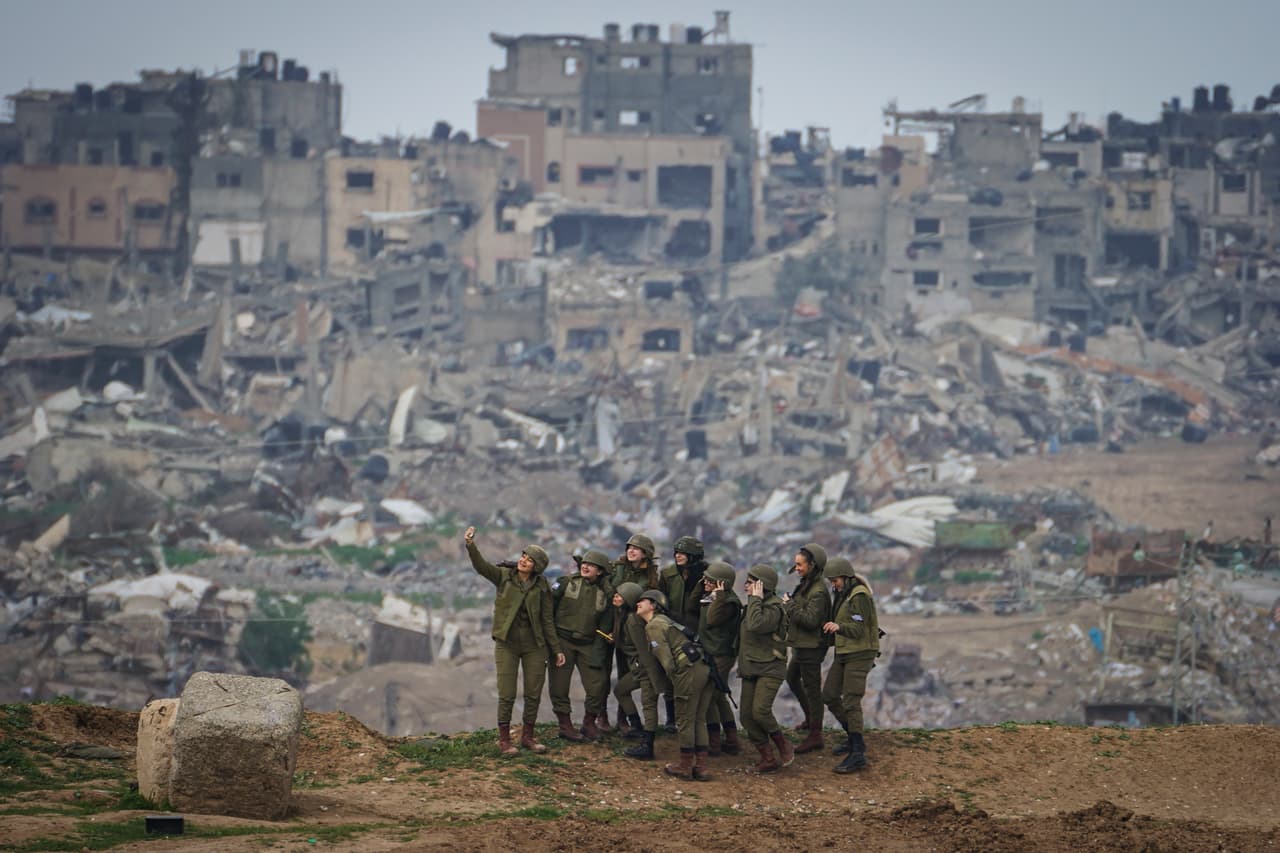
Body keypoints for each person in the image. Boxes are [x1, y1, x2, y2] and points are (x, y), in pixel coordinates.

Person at [463, 525, 564, 756]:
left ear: (537, 567)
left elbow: (547, 620)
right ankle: (504, 741)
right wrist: (470, 545)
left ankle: (528, 737)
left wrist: (556, 649)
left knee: (533, 693)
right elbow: (481, 567)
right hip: (506, 644)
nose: (524, 561)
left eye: (530, 560)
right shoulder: (504, 576)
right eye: (523, 556)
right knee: (507, 693)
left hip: (534, 646)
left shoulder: (542, 588)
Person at [636, 590, 714, 780]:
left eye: (643, 601)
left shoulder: (654, 625)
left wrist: (675, 679)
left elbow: (667, 660)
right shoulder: (668, 622)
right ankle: (701, 767)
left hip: (687, 670)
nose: (638, 603)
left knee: (685, 718)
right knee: (699, 719)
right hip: (704, 666)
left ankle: (685, 766)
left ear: (653, 605)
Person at [820, 557, 881, 773]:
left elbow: (858, 629)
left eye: (835, 580)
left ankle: (857, 753)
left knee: (851, 701)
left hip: (860, 652)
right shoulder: (844, 595)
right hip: (845, 652)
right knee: (829, 695)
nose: (833, 584)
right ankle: (852, 736)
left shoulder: (859, 596)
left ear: (845, 577)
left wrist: (838, 627)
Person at [548, 549, 614, 741]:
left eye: (591, 565)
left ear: (600, 571)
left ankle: (588, 723)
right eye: (584, 563)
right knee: (559, 686)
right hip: (563, 640)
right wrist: (552, 644)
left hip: (589, 643)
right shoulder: (567, 583)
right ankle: (565, 725)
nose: (585, 566)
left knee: (597, 685)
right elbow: (548, 609)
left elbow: (607, 620)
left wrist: (601, 644)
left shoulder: (605, 592)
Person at [737, 564, 794, 773]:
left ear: (763, 586)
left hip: (771, 667)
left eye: (751, 582)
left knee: (760, 711)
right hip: (752, 666)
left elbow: (756, 625)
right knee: (746, 716)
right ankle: (767, 757)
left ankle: (782, 745)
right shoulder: (755, 605)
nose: (746, 585)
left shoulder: (773, 608)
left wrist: (755, 599)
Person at [608, 533, 661, 728]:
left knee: (637, 677)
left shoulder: (652, 576)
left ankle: (641, 728)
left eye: (636, 548)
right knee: (622, 675)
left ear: (646, 553)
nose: (631, 551)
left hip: (637, 626)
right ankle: (625, 721)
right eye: (629, 547)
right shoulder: (619, 568)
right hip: (619, 624)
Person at [613, 585, 672, 760]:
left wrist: (652, 677)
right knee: (620, 690)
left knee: (649, 704)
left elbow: (643, 650)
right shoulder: (624, 617)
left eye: (620, 595)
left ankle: (647, 744)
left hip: (645, 669)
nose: (615, 597)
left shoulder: (632, 620)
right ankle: (636, 727)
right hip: (640, 668)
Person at [783, 542, 832, 754]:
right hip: (801, 645)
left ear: (813, 565)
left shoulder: (818, 591)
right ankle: (811, 719)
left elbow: (811, 620)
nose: (797, 568)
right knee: (792, 678)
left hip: (811, 647)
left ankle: (815, 735)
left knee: (813, 691)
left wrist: (789, 605)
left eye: (800, 564)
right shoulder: (806, 584)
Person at [697, 560, 743, 756]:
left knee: (709, 697)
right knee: (719, 696)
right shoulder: (713, 597)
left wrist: (720, 596)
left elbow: (712, 620)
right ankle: (731, 738)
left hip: (721, 655)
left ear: (721, 583)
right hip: (712, 651)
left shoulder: (728, 603)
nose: (705, 583)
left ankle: (714, 741)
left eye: (710, 580)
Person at [660, 536, 710, 629]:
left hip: (699, 624)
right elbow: (661, 600)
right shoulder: (667, 574)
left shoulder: (708, 574)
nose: (677, 556)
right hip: (672, 622)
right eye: (676, 552)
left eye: (682, 553)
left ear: (693, 556)